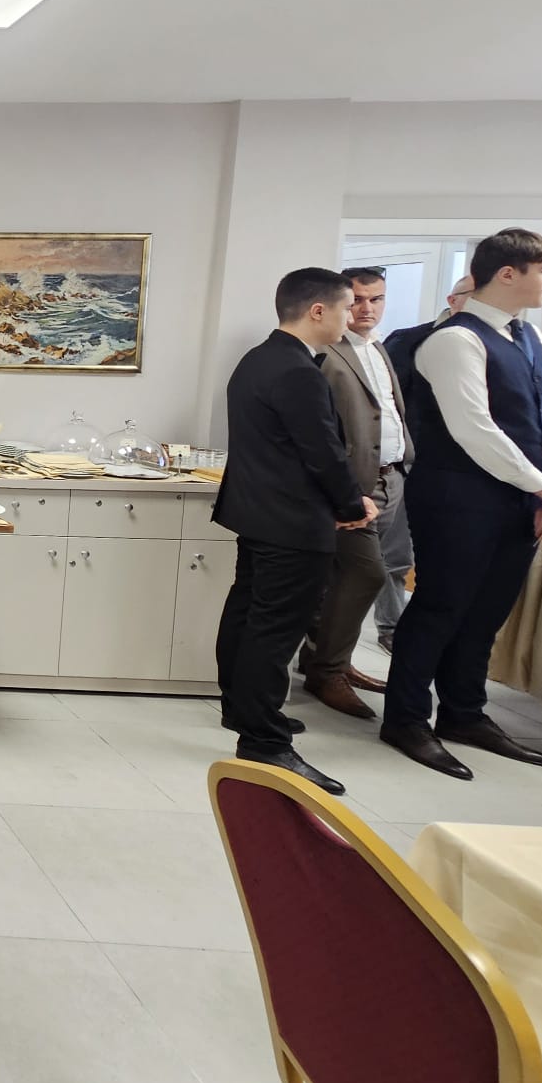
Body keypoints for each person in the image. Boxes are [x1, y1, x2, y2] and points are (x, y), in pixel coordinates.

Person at [384, 229, 542, 779]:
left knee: (488, 610)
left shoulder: (529, 334)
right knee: (440, 607)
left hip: (519, 498)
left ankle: (464, 713)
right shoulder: (453, 340)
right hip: (457, 497)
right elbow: (475, 429)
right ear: (508, 274)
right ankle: (405, 719)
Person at [212, 267, 377, 796]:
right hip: (292, 521)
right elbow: (322, 451)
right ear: (318, 310)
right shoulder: (297, 371)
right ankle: (264, 742)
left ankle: (243, 710)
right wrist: (351, 504)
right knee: (274, 629)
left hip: (257, 513)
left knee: (247, 614)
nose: (353, 318)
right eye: (348, 307)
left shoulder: (258, 358)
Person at [294, 267, 414, 718]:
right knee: (365, 574)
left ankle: (330, 661)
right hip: (350, 484)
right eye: (357, 300)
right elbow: (317, 428)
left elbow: (388, 412)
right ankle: (328, 670)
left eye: (376, 299)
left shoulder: (379, 347)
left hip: (391, 477)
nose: (366, 309)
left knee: (347, 577)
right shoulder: (324, 350)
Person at [374, 273, 472, 653]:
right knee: (395, 555)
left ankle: (432, 632)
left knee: (442, 557)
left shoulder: (497, 345)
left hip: (462, 472)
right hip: (410, 464)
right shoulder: (408, 340)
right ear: (453, 299)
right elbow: (385, 404)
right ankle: (391, 626)